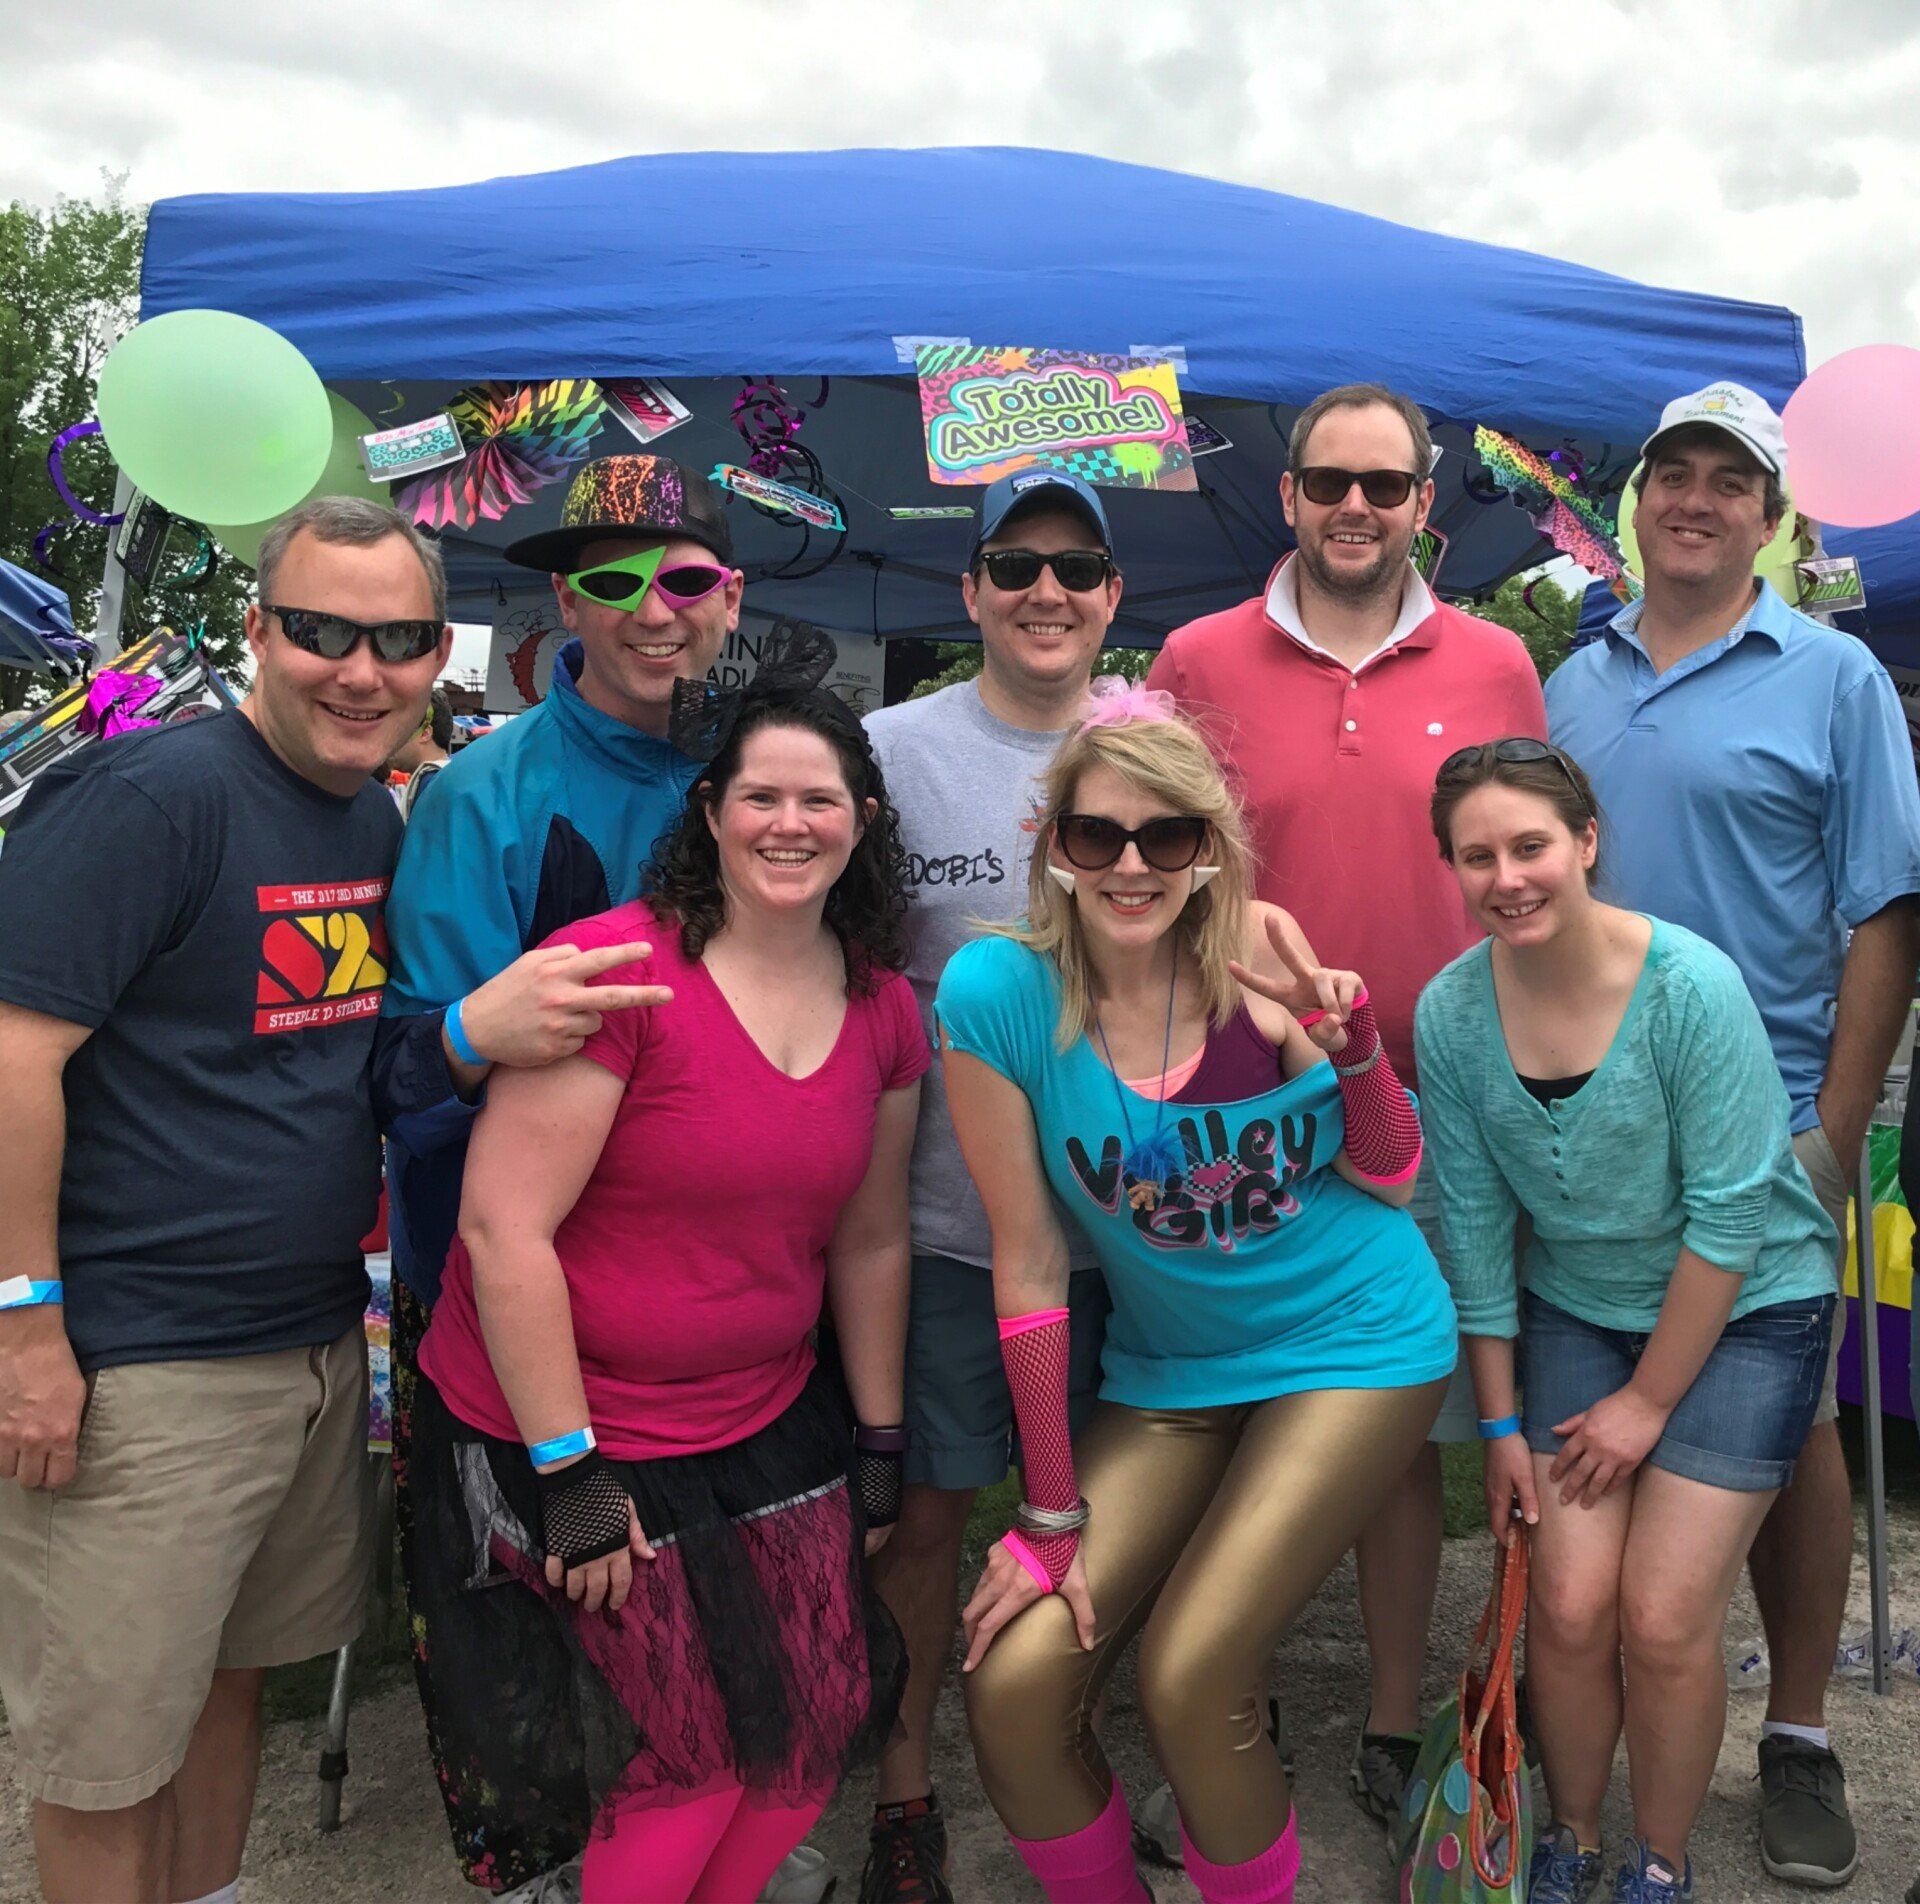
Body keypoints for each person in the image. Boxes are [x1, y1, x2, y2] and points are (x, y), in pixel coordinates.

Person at [376, 453, 855, 1902]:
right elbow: (409, 1072)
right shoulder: (491, 791)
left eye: (686, 578)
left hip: (728, 1307)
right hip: (526, 1301)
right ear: (560, 601)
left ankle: (703, 1843)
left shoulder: (751, 773)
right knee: (538, 1646)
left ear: (733, 597)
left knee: (716, 1645)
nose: (653, 608)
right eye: (609, 578)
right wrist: (476, 1037)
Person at [0, 497, 451, 1904]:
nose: (357, 670)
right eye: (319, 632)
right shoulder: (145, 798)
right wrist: (25, 1329)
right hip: (142, 1366)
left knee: (223, 1692)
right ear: (256, 630)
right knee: (104, 1756)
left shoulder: (371, 821)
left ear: (438, 654)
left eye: (396, 639)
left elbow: (342, 1059)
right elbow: (16, 1056)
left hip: (308, 1345)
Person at [939, 688, 1456, 1904]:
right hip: (1174, 1374)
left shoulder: (1256, 953)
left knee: (1191, 1669)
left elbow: (1388, 1176)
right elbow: (1028, 1263)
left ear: (1206, 848)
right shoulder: (995, 995)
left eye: (1165, 836)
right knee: (1012, 1682)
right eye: (1096, 835)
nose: (1130, 864)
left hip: (1355, 1336)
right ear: (1051, 842)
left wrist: (1360, 1046)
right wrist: (1049, 1512)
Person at [1143, 381, 1546, 1828]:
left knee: (1394, 1431)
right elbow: (1156, 864)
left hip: (1431, 1105)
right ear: (1292, 495)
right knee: (1224, 1411)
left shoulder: (1499, 663)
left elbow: (1527, 869)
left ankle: (1387, 1714)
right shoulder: (1194, 655)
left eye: (1385, 484)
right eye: (1330, 482)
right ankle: (1219, 1714)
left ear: (1423, 502)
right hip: (1240, 1107)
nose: (1356, 508)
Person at [1546, 382, 1920, 1888]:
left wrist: (1832, 1133)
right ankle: (1584, 1719)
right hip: (1579, 1125)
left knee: (1799, 1425)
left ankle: (1805, 1732)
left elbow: (1885, 917)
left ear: (1771, 518)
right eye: (1670, 476)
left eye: (1728, 482)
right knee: (1617, 1423)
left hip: (1761, 1126)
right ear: (1637, 503)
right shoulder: (1567, 684)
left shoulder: (1835, 678)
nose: (1694, 500)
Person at [1415, 739, 1842, 1904]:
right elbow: (1475, 1222)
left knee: (1659, 1615)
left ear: (1587, 841)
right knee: (1565, 1598)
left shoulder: (1690, 987)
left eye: (1532, 844)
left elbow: (1731, 1215)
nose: (1508, 875)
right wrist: (1500, 1427)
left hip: (1751, 1303)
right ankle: (1575, 1835)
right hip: (1579, 1305)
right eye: (1478, 855)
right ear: (1451, 868)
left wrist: (1647, 1404)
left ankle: (1661, 1856)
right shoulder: (1451, 1016)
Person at [856, 469, 1127, 1904]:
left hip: (1134, 1241)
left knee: (1110, 1515)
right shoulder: (888, 751)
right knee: (931, 1519)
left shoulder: (1151, 749)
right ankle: (905, 1787)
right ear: (969, 592)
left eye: (1074, 568)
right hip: (950, 1226)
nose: (1045, 591)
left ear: (1110, 598)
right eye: (1014, 565)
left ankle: (1075, 1760)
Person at [388, 684, 455, 820]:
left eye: (400, 729)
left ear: (425, 733)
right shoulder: (448, 778)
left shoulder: (432, 785)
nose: (391, 740)